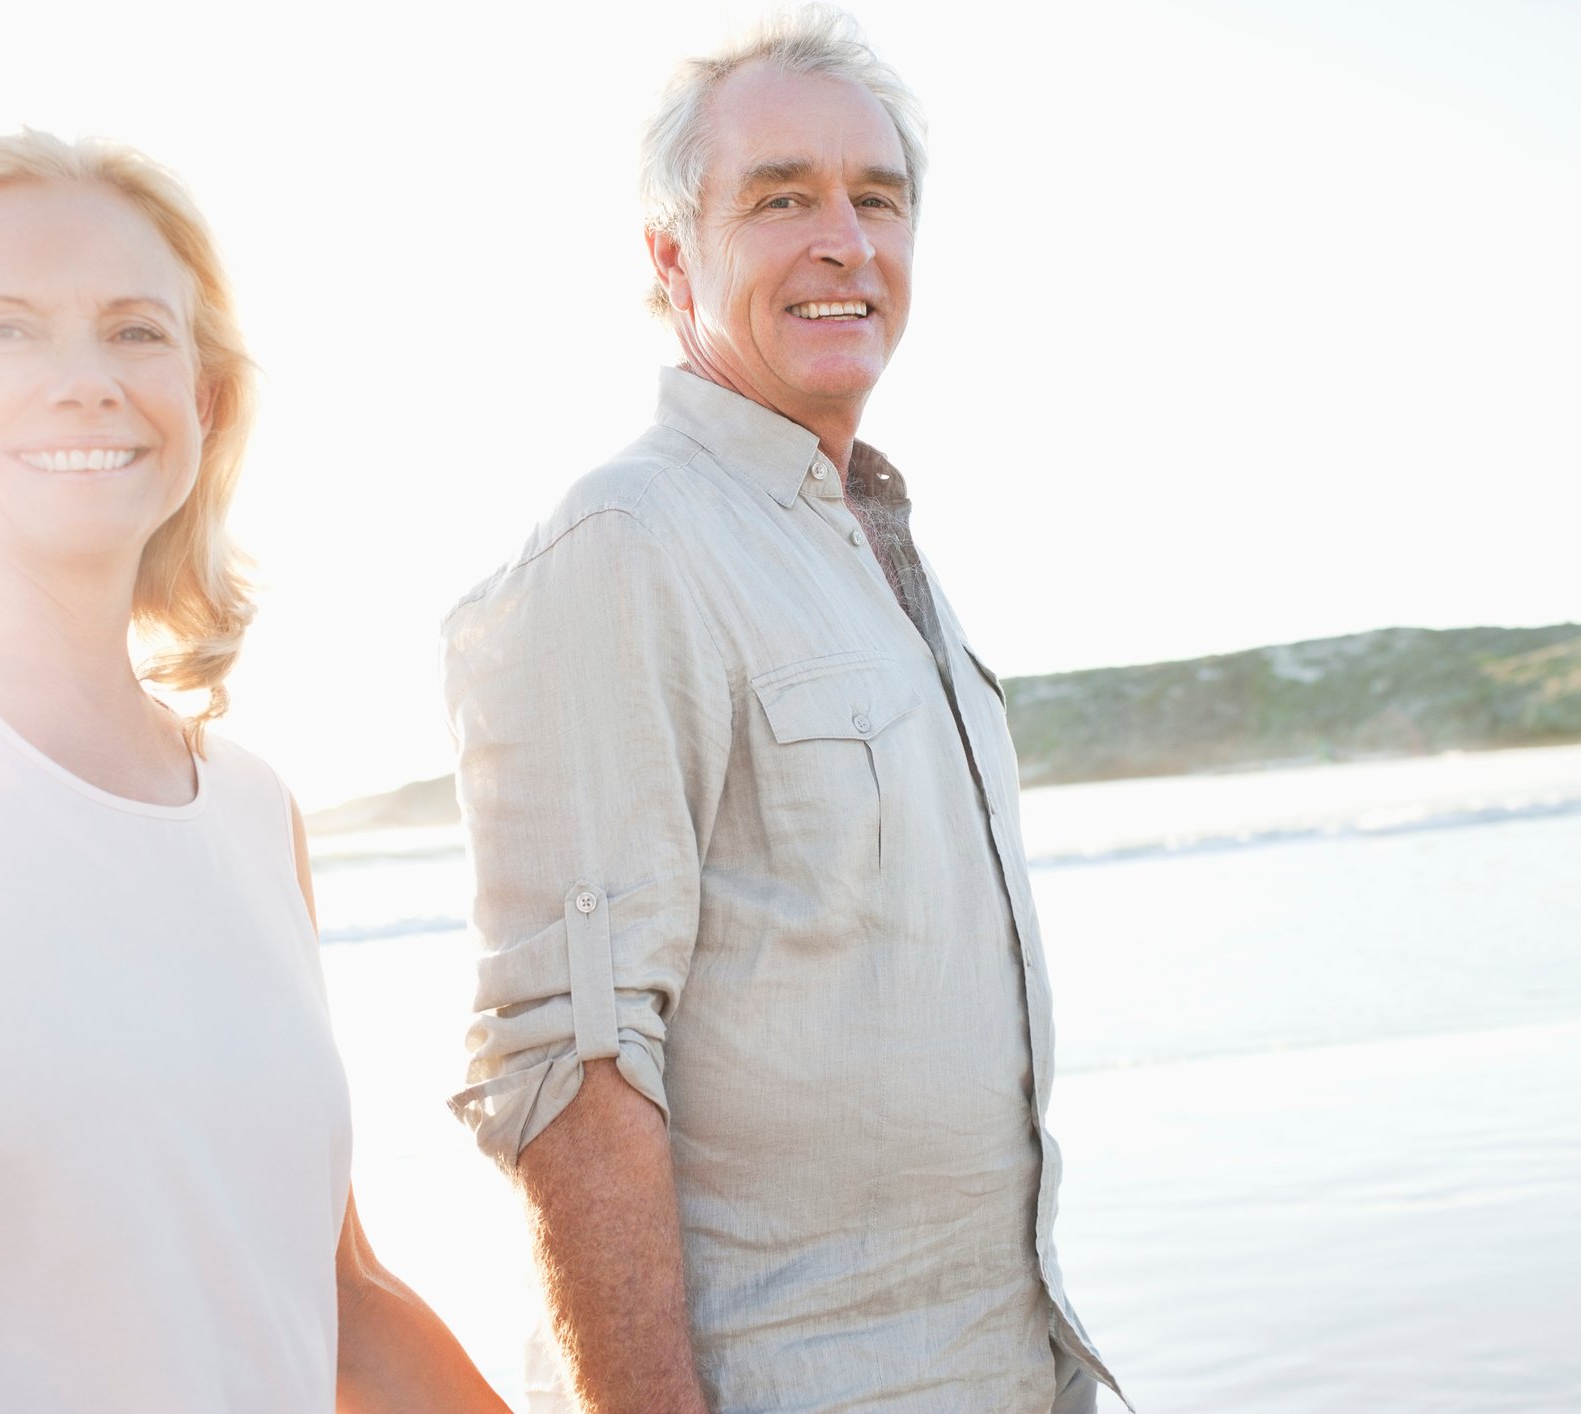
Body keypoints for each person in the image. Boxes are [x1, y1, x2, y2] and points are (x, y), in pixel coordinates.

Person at [0, 132, 507, 1414]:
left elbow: (335, 1308)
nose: (86, 382)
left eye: (135, 331)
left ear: (208, 396)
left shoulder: (250, 810)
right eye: (7, 330)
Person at [441, 7, 1127, 1413]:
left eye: (876, 198)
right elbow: (571, 1064)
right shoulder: (624, 544)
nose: (843, 239)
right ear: (668, 257)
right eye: (779, 199)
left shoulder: (877, 546)